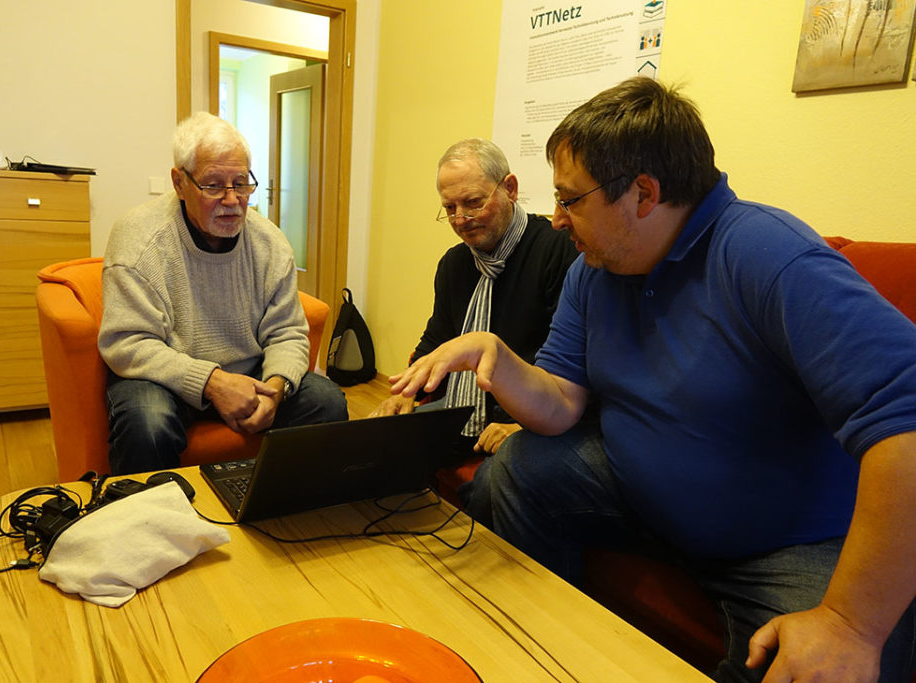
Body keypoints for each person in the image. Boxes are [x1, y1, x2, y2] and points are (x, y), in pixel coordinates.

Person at [389, 78, 916, 683]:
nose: (556, 220)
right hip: (644, 497)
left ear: (643, 193)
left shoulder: (768, 255)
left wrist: (850, 624)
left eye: (570, 200)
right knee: (520, 466)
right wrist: (498, 357)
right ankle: (533, 652)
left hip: (787, 541)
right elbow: (560, 404)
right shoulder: (598, 267)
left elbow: (907, 415)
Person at [99, 112, 348, 475]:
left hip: (250, 375)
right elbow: (130, 342)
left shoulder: (270, 243)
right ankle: (152, 524)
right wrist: (213, 383)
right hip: (166, 379)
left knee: (327, 402)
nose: (232, 200)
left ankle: (277, 509)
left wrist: (276, 387)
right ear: (179, 182)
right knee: (147, 423)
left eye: (242, 183)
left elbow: (288, 332)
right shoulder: (138, 239)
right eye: (214, 185)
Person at [371, 138, 577, 457]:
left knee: (486, 487)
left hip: (531, 416)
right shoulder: (455, 264)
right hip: (464, 408)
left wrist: (523, 423)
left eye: (473, 202)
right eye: (449, 208)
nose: (460, 219)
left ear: (510, 188)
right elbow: (438, 339)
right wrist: (405, 392)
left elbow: (568, 363)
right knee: (379, 446)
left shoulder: (557, 250)